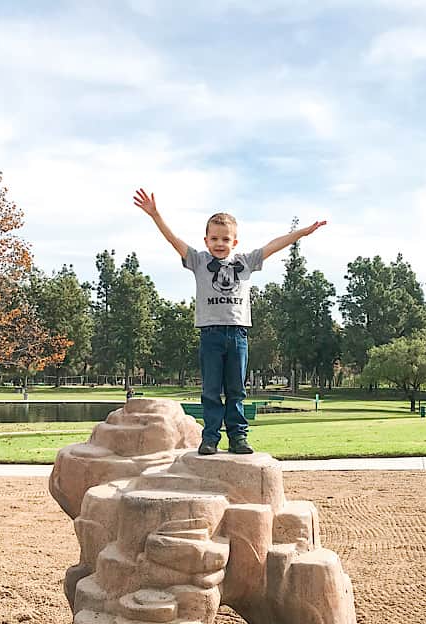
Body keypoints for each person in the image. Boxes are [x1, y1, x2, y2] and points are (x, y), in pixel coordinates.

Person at [134, 188, 326, 455]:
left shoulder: (245, 262)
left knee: (236, 390)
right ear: (206, 240)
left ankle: (238, 438)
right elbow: (173, 240)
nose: (219, 243)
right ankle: (210, 438)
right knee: (211, 391)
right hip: (210, 335)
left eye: (225, 238)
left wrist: (301, 233)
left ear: (235, 242)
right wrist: (155, 215)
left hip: (238, 336)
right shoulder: (199, 261)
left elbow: (274, 244)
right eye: (214, 238)